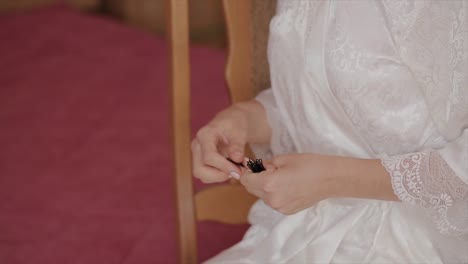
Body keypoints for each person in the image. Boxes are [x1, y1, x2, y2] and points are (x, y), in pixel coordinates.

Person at [191, 1, 468, 263]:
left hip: (414, 243)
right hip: (300, 231)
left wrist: (332, 180)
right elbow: (319, 106)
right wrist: (244, 119)